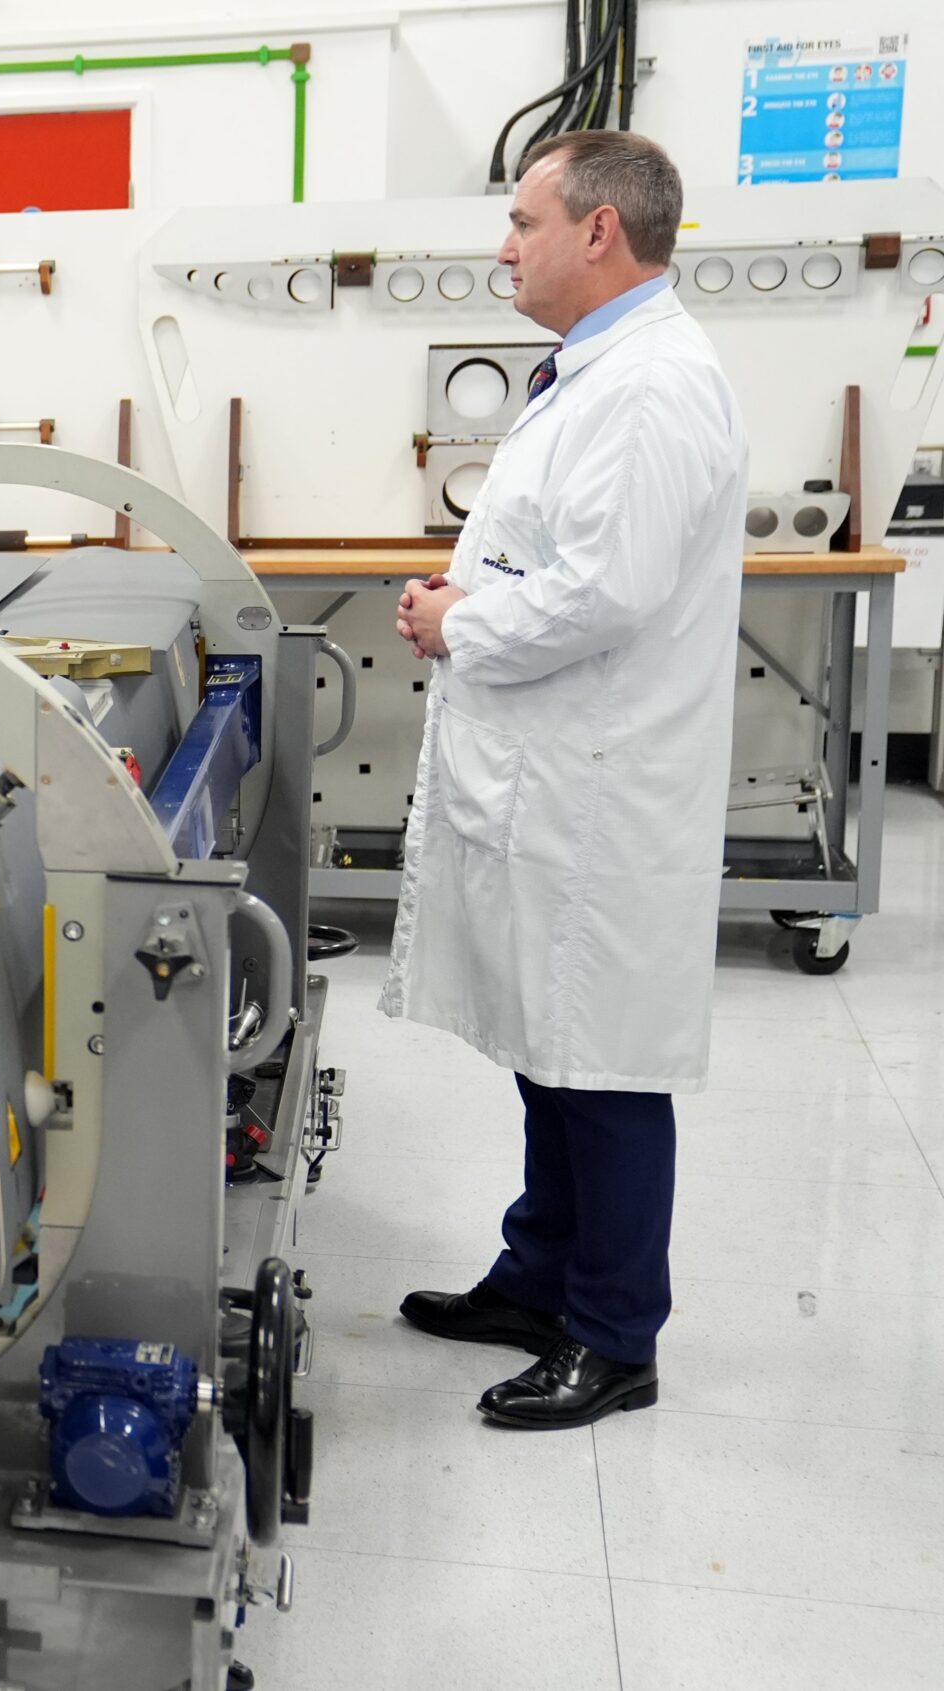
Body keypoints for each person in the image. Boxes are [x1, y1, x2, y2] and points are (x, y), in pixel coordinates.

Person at [384, 130, 747, 1430]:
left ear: (600, 230)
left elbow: (603, 590)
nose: (505, 244)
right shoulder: (597, 372)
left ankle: (614, 1333)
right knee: (554, 1043)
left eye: (524, 220)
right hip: (563, 765)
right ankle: (538, 1276)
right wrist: (467, 593)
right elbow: (559, 553)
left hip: (602, 779)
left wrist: (453, 622)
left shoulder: (652, 385)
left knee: (599, 1058)